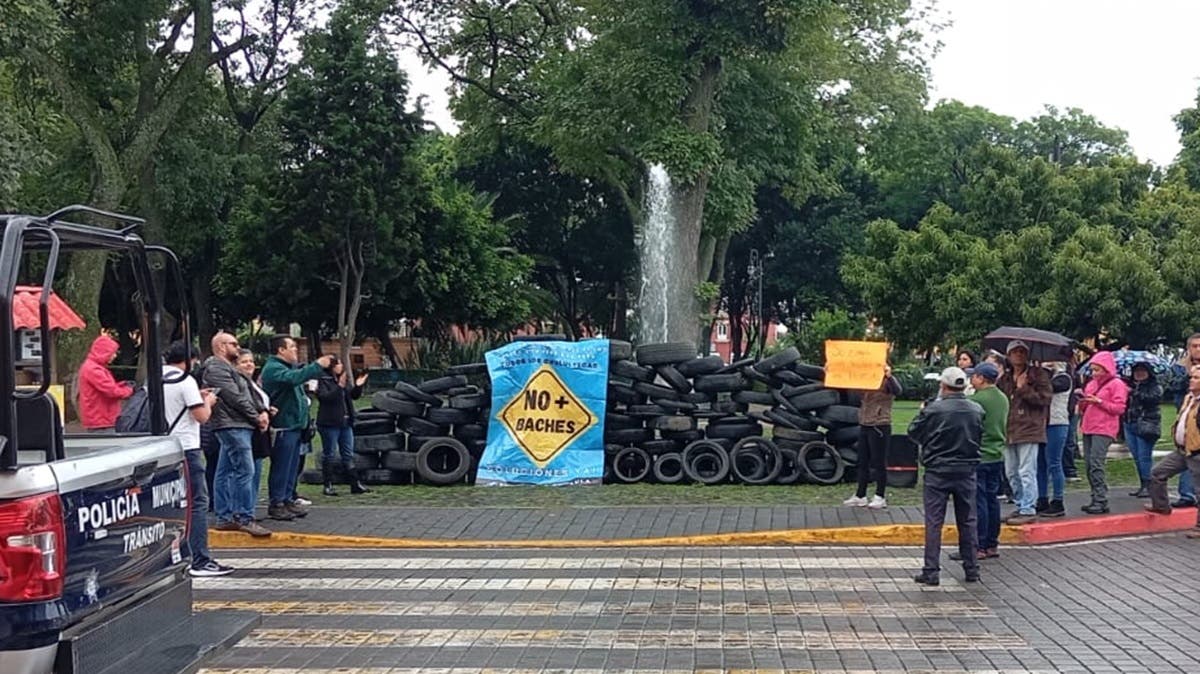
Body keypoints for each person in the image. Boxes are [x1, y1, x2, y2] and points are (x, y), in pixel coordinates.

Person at [161, 341, 233, 577]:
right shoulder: (185, 380)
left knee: (173, 503)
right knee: (197, 502)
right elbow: (201, 416)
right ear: (188, 360)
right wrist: (208, 402)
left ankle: (175, 554)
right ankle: (199, 559)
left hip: (163, 447)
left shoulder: (155, 378)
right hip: (187, 447)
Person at [908, 367, 983, 586]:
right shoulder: (976, 409)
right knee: (968, 521)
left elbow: (913, 431)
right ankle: (972, 568)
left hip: (938, 470)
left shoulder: (933, 410)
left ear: (943, 385)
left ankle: (931, 570)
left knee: (934, 522)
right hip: (966, 469)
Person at [202, 332, 271, 537]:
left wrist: (261, 410)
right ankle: (243, 517)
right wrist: (257, 417)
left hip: (235, 423)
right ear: (221, 346)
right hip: (231, 424)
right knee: (245, 470)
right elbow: (235, 397)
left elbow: (248, 393)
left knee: (224, 471)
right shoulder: (216, 368)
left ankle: (225, 517)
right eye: (234, 344)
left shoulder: (228, 368)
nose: (238, 347)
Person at [260, 336, 331, 521]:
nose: (295, 350)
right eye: (291, 346)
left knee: (292, 467)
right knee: (282, 466)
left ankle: (287, 498)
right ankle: (277, 503)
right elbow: (294, 379)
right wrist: (317, 365)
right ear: (280, 350)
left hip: (295, 426)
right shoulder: (274, 368)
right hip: (283, 426)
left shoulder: (287, 368)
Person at [950, 363, 1008, 561]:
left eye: (973, 376)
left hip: (979, 454)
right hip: (996, 454)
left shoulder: (976, 400)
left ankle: (979, 545)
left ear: (981, 378)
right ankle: (991, 543)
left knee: (978, 502)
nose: (971, 379)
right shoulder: (1002, 398)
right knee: (992, 500)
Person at [996, 340, 1052, 524]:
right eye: (1015, 351)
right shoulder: (1005, 378)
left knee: (1026, 470)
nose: (1018, 355)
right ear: (1008, 355)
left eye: (1022, 351)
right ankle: (1020, 504)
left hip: (1029, 428)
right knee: (1011, 471)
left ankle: (1028, 508)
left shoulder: (1038, 375)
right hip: (1009, 430)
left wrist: (1024, 388)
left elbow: (1045, 400)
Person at [1145, 364, 1200, 539]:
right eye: (1191, 377)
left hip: (1196, 451)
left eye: (1196, 378)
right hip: (1182, 449)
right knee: (1157, 473)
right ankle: (1161, 505)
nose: (1191, 380)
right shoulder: (1189, 398)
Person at [1077, 350, 1129, 515]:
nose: (1094, 373)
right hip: (1088, 426)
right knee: (1088, 465)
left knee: (1096, 463)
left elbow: (1119, 408)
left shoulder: (1117, 384)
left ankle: (1101, 499)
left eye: (1097, 370)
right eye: (1092, 369)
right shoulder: (1091, 384)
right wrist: (1083, 401)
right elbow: (1086, 406)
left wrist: (1099, 401)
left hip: (1104, 428)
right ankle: (1095, 497)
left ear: (1106, 369)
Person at [843, 364, 901, 510]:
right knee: (862, 461)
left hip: (880, 425)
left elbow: (898, 391)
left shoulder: (887, 382)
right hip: (865, 424)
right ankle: (860, 495)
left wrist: (889, 376)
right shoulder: (865, 381)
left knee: (879, 462)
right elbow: (849, 388)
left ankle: (880, 496)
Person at [316, 356, 371, 496]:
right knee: (329, 453)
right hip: (329, 423)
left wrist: (358, 385)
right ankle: (328, 485)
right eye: (338, 364)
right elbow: (325, 398)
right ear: (331, 366)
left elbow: (352, 396)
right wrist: (339, 386)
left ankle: (355, 483)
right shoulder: (323, 380)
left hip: (345, 423)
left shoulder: (342, 380)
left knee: (348, 453)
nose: (341, 366)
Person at [235, 349, 273, 503]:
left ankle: (250, 505)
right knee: (247, 472)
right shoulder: (238, 383)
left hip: (259, 432)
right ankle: (243, 507)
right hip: (248, 430)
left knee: (256, 471)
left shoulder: (253, 384)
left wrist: (268, 410)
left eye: (251, 361)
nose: (249, 364)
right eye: (244, 362)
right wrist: (260, 416)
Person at [1035, 362, 1071, 518]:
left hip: (1057, 423)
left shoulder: (1063, 378)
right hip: (1042, 423)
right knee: (1040, 463)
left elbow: (1048, 388)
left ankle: (1058, 500)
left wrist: (1043, 371)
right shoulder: (1044, 377)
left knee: (1054, 462)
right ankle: (1042, 498)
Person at [78, 334, 134, 430]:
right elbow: (112, 392)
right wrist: (129, 390)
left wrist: (121, 385)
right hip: (102, 421)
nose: (115, 356)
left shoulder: (92, 367)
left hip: (99, 419)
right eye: (112, 353)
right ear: (104, 352)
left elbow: (107, 387)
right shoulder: (94, 370)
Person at [1123, 362, 1163, 498]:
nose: (1139, 373)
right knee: (1137, 457)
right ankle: (1143, 484)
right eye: (1136, 371)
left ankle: (1149, 485)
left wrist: (1134, 392)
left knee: (1144, 457)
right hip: (1129, 423)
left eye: (1142, 370)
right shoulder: (1129, 385)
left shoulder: (1155, 386)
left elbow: (1152, 399)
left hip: (1147, 425)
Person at [1169, 334, 1200, 507]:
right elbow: (1173, 387)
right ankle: (1187, 493)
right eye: (1194, 346)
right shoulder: (1181, 367)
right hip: (1186, 413)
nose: (1198, 349)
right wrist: (1189, 376)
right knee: (1187, 453)